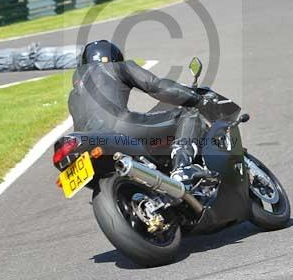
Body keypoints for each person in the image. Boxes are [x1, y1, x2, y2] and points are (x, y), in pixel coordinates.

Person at [68, 40, 208, 184]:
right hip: (120, 128)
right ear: (114, 57)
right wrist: (197, 99)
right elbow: (157, 86)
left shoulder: (73, 96)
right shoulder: (118, 67)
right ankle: (182, 167)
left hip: (87, 143)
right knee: (189, 114)